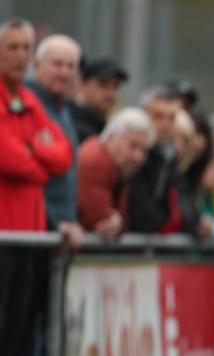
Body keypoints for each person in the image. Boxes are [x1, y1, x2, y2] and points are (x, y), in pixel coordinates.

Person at [0, 18, 73, 356]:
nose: (19, 56)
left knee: (19, 334)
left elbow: (61, 156)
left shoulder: (28, 99)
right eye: (11, 47)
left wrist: (33, 155)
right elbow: (13, 159)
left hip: (29, 238)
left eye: (25, 48)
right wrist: (35, 153)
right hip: (5, 237)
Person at [25, 34, 84, 242]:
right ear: (37, 65)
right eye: (57, 64)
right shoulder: (25, 106)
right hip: (33, 231)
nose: (64, 72)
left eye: (71, 66)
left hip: (59, 232)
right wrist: (55, 222)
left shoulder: (61, 108)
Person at [77, 107, 154, 239]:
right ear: (112, 138)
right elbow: (100, 221)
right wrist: (119, 222)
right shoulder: (95, 161)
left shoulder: (118, 166)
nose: (138, 156)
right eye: (132, 146)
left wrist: (120, 222)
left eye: (144, 150)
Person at [126, 84, 180, 233]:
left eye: (171, 118)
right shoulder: (130, 152)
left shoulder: (168, 156)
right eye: (158, 116)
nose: (165, 124)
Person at [69, 57, 128, 144]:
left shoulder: (106, 125)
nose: (110, 93)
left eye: (116, 86)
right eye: (103, 84)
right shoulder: (68, 120)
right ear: (82, 84)